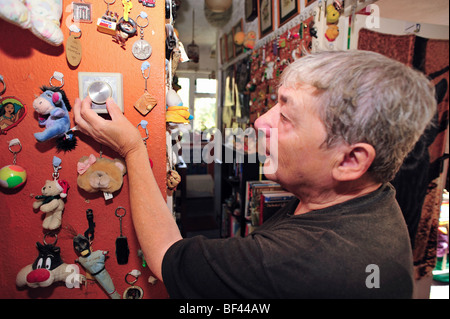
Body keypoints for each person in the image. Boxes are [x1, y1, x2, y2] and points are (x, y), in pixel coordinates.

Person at [73, 50, 437, 298]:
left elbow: (169, 257)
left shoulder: (306, 259)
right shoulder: (372, 199)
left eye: (287, 116)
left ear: (350, 161)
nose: (260, 122)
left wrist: (132, 150)